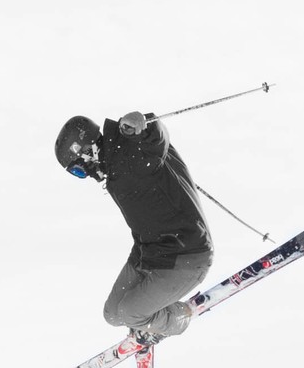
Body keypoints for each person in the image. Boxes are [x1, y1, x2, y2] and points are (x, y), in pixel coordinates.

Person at [55, 111, 213, 346]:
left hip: (186, 255)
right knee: (112, 314)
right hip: (149, 252)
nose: (86, 175)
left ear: (89, 152)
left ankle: (179, 318)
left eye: (79, 170)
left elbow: (155, 140)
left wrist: (144, 128)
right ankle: (149, 317)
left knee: (130, 314)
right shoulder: (115, 169)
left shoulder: (132, 151)